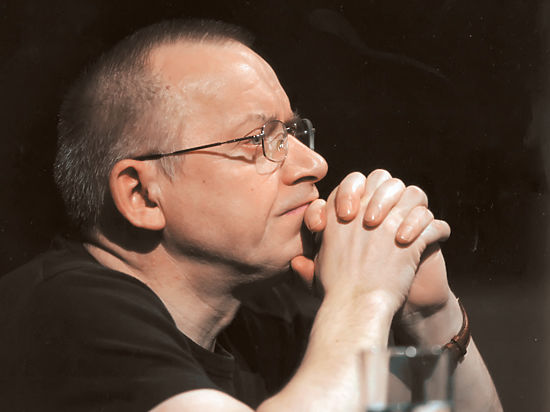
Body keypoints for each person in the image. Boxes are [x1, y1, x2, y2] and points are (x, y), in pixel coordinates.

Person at [0, 19, 502, 411]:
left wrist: (429, 316)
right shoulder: (60, 312)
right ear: (142, 195)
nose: (315, 164)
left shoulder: (263, 326)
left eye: (294, 133)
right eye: (260, 139)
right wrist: (364, 296)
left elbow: (422, 407)